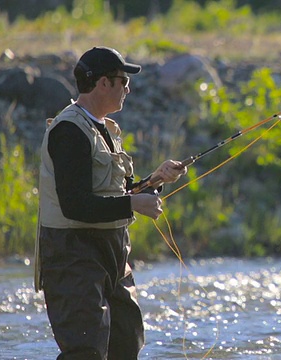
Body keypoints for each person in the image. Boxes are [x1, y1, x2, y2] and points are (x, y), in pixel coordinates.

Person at [35, 46, 187, 360]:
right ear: (104, 83)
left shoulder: (104, 129)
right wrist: (134, 205)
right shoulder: (69, 131)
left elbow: (113, 192)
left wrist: (152, 181)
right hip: (73, 254)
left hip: (113, 251)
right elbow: (75, 206)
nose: (127, 89)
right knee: (86, 350)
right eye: (122, 81)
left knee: (126, 342)